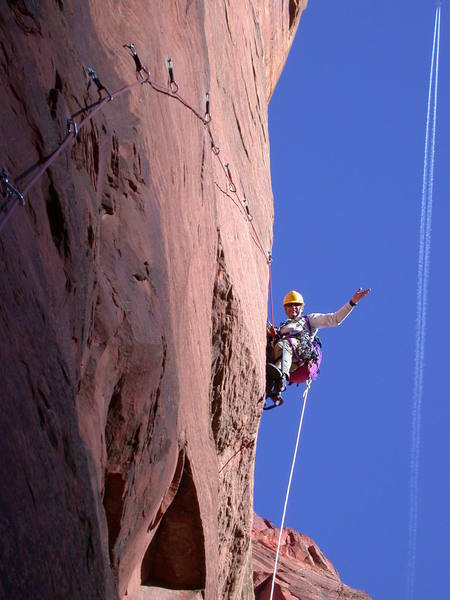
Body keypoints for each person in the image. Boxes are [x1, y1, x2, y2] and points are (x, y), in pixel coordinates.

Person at [266, 287, 371, 404]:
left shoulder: (308, 320)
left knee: (284, 344)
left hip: (299, 353)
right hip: (285, 355)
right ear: (285, 309)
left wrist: (352, 302)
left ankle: (280, 380)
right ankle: (271, 386)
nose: (293, 308)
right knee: (273, 347)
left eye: (296, 305)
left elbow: (334, 319)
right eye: (289, 305)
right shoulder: (282, 327)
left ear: (302, 307)